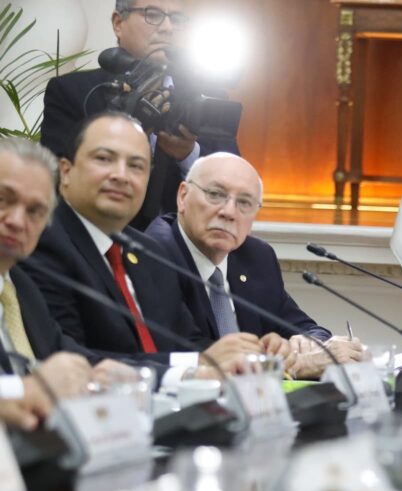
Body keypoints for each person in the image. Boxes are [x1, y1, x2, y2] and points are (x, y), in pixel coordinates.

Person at [22, 111, 262, 382]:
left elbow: (186, 342)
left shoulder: (147, 251)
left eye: (136, 166)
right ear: (65, 171)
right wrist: (192, 368)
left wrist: (252, 355)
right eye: (104, 159)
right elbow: (71, 360)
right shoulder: (40, 241)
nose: (121, 175)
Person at [146, 153, 364, 377]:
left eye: (244, 202)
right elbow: (190, 353)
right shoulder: (154, 254)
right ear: (183, 196)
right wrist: (298, 365)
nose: (229, 212)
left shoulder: (256, 256)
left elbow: (303, 326)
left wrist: (310, 343)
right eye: (215, 194)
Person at [40, 0, 240, 229]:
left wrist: (188, 155)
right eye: (152, 14)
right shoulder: (75, 91)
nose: (167, 27)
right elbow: (55, 178)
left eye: (176, 19)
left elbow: (235, 181)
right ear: (118, 23)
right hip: (98, 237)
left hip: (180, 249)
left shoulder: (208, 95)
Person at [0, 137, 133, 430]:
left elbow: (76, 359)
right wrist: (25, 389)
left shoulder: (21, 287)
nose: (17, 220)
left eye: (35, 211)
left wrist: (110, 374)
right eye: (3, 199)